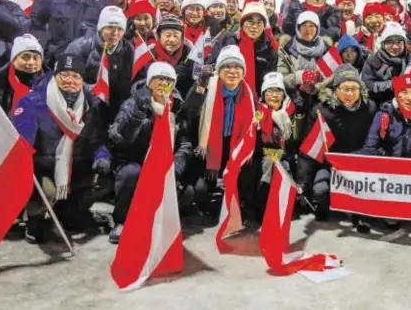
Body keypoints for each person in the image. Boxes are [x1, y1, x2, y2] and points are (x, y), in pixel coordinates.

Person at [12, 54, 103, 243]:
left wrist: (102, 157)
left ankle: (67, 212)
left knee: (104, 180)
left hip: (75, 167)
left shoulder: (89, 105)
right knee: (46, 189)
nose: (70, 80)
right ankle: (35, 219)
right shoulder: (33, 102)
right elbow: (21, 145)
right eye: (64, 75)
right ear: (54, 77)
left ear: (82, 81)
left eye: (75, 76)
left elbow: (96, 139)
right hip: (43, 169)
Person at [105, 62, 192, 243]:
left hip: (163, 160)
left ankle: (158, 221)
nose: (163, 83)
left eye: (168, 80)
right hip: (132, 159)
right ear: (149, 82)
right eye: (158, 79)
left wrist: (176, 166)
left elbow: (185, 143)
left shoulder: (177, 107)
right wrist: (139, 112)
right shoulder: (133, 102)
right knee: (131, 174)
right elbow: (118, 137)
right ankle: (122, 221)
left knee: (188, 191)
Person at [359, 72, 411, 246]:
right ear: (397, 95)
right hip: (389, 171)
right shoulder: (384, 115)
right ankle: (364, 214)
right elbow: (370, 147)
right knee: (391, 221)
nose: (409, 97)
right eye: (404, 92)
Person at [179, 45, 257, 223]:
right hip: (209, 151)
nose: (232, 71)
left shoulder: (248, 94)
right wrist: (200, 85)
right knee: (199, 191)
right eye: (227, 67)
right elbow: (189, 111)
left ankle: (238, 204)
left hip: (234, 148)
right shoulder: (208, 88)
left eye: (237, 67)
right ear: (219, 70)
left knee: (248, 174)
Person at [298, 64, 376, 230]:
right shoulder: (320, 112)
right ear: (335, 88)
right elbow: (308, 149)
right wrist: (303, 183)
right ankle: (323, 206)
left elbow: (373, 141)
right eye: (345, 89)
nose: (349, 94)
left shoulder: (370, 109)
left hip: (357, 164)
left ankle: (359, 214)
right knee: (320, 190)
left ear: (360, 89)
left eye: (354, 89)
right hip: (329, 164)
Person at [65, 6, 133, 127]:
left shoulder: (128, 49)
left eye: (119, 28)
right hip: (83, 102)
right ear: (100, 28)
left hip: (114, 104)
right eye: (110, 27)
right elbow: (64, 78)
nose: (115, 33)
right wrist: (90, 90)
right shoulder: (80, 46)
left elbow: (130, 81)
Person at [277, 11, 333, 138]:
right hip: (293, 100)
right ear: (297, 27)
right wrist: (299, 77)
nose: (308, 29)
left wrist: (316, 87)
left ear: (318, 28)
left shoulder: (326, 50)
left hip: (319, 102)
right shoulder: (286, 49)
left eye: (312, 25)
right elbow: (280, 79)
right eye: (304, 25)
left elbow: (332, 78)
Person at [252, 72, 297, 220]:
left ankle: (283, 206)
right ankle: (261, 206)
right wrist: (272, 153)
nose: (274, 95)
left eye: (278, 91)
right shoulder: (257, 114)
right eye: (270, 91)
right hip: (262, 156)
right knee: (269, 163)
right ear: (264, 94)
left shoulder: (291, 112)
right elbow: (253, 142)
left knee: (284, 166)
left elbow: (295, 140)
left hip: (286, 156)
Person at [208, 2, 278, 95]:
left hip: (256, 101)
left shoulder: (270, 51)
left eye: (259, 22)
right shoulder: (229, 40)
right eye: (250, 21)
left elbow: (270, 83)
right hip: (224, 95)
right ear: (242, 23)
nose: (254, 26)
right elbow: (212, 65)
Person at [0, 33, 45, 115]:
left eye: (36, 57)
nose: (31, 62)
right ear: (14, 60)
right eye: (25, 57)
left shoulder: (50, 86)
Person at [361, 22, 411, 106]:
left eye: (399, 42)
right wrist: (392, 84)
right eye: (390, 42)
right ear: (383, 44)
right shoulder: (373, 60)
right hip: (379, 101)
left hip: (407, 101)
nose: (395, 47)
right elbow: (367, 84)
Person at [154, 15, 194, 99]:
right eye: (167, 35)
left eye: (176, 36)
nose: (171, 40)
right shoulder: (149, 54)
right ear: (159, 37)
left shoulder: (190, 55)